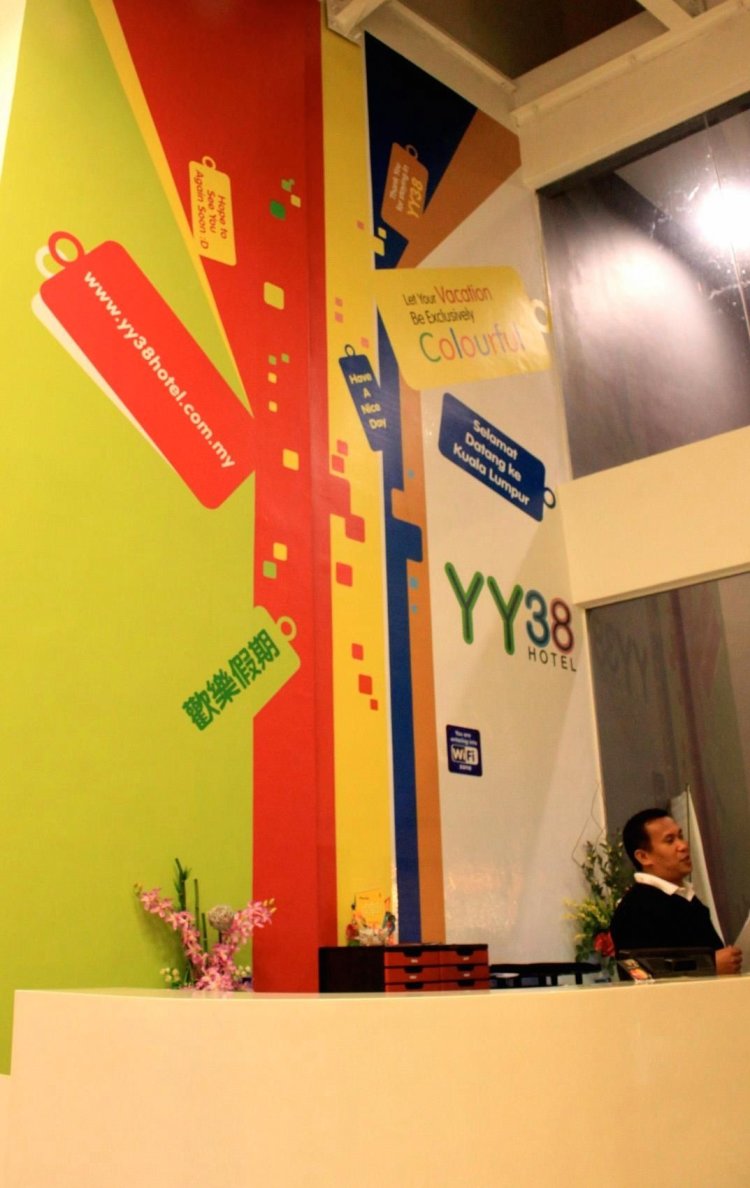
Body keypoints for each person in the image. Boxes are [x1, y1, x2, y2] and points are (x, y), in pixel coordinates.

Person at [610, 808, 742, 976]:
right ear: (643, 857)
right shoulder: (635, 909)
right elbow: (641, 974)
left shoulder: (688, 900)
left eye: (681, 836)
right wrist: (710, 966)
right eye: (670, 840)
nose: (683, 846)